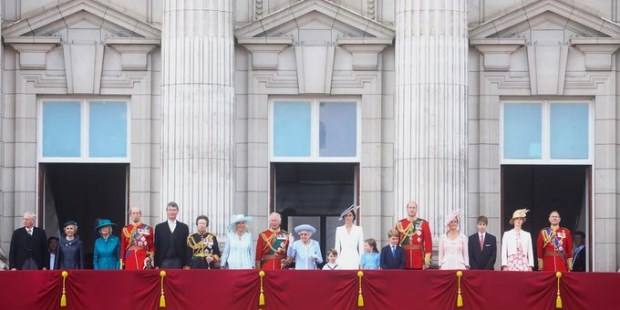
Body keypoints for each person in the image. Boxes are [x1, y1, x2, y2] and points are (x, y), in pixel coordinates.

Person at [395, 201, 432, 270]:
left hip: (418, 259)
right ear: (407, 209)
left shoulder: (423, 224)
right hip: (404, 259)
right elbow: (395, 242)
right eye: (410, 207)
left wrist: (427, 260)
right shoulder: (400, 224)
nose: (412, 209)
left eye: (414, 208)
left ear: (416, 209)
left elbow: (428, 242)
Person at [154, 201, 190, 269]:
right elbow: (157, 246)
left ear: (177, 211)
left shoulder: (184, 227)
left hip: (179, 261)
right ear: (166, 211)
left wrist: (187, 264)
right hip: (163, 260)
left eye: (174, 210)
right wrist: (156, 264)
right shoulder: (159, 227)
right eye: (170, 210)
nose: (172, 212)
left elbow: (186, 246)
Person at [334, 205, 364, 270]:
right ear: (344, 217)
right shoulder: (339, 229)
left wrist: (361, 262)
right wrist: (336, 260)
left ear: (353, 217)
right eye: (346, 216)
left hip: (355, 257)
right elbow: (337, 246)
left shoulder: (359, 229)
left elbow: (361, 247)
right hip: (342, 257)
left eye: (350, 215)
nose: (348, 217)